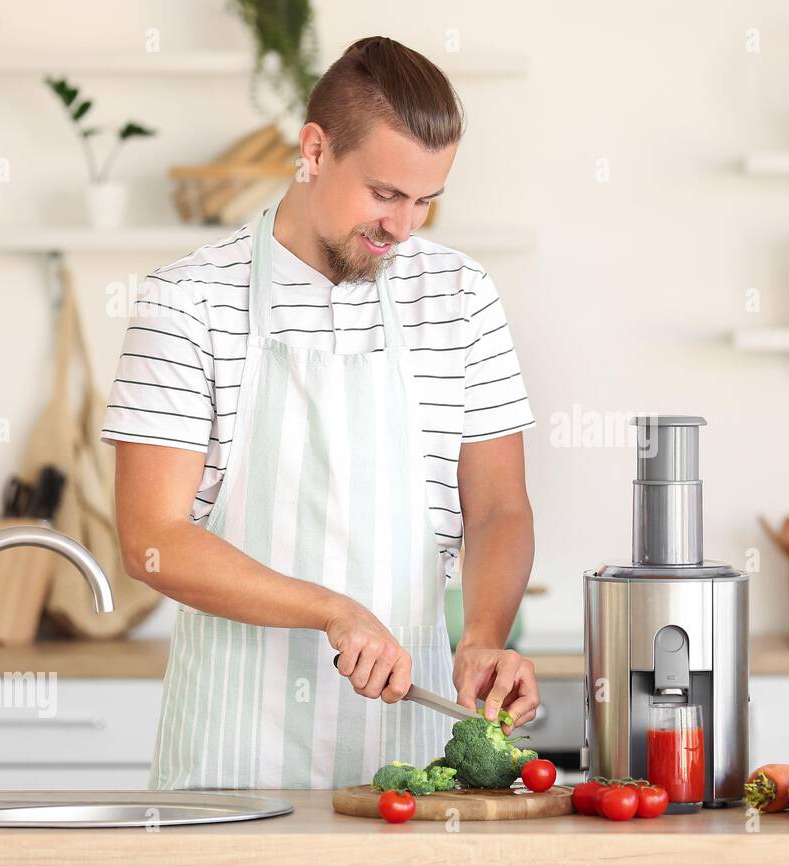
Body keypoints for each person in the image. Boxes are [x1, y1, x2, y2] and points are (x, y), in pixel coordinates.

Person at [101, 36, 538, 790]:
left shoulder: (460, 297)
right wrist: (331, 610)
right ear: (313, 149)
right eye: (384, 193)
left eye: (426, 200)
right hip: (233, 752)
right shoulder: (188, 301)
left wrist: (484, 637)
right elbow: (152, 539)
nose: (404, 229)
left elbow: (499, 506)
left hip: (415, 753)